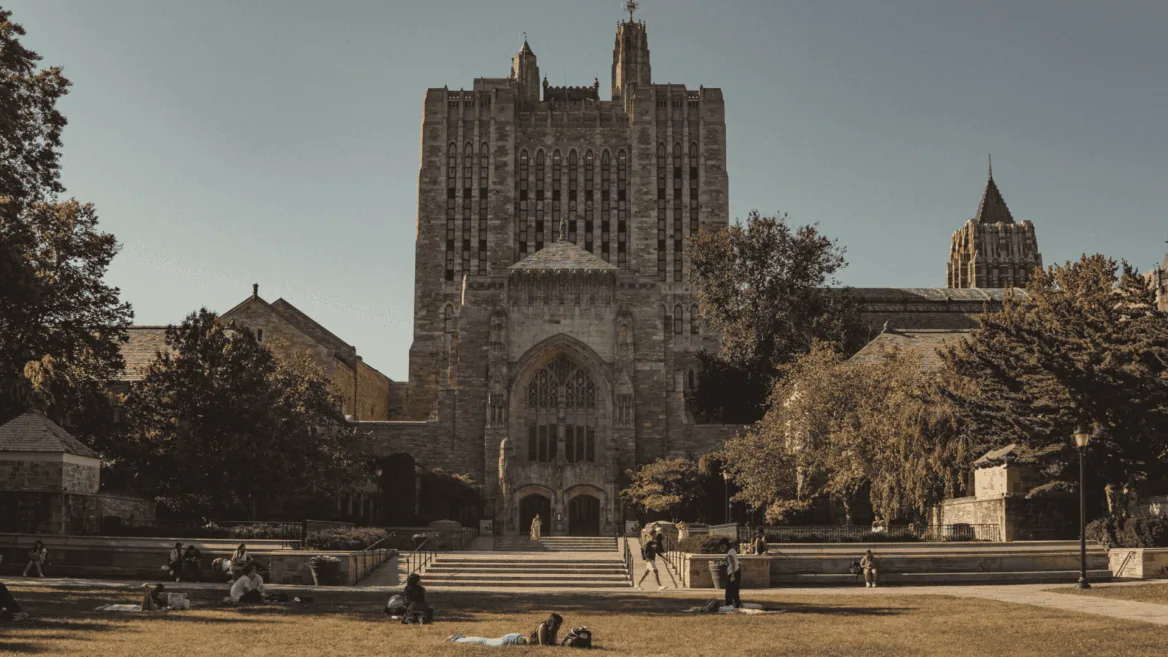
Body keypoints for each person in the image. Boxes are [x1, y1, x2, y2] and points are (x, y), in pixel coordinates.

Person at [446, 612, 563, 647]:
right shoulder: (543, 627)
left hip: (516, 640)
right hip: (512, 640)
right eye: (558, 625)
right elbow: (543, 646)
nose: (559, 627)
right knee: (485, 641)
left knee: (486, 640)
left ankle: (461, 637)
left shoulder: (552, 631)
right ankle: (457, 639)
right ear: (553, 623)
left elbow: (552, 644)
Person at [724, 539, 742, 609]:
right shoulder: (732, 550)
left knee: (730, 590)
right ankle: (736, 604)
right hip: (735, 571)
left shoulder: (730, 552)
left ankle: (729, 604)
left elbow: (733, 563)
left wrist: (732, 576)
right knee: (734, 590)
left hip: (733, 572)